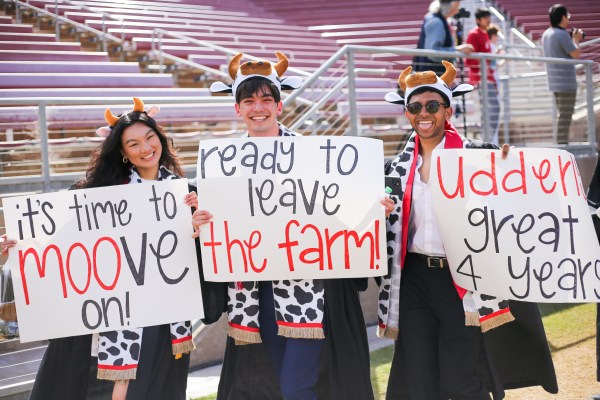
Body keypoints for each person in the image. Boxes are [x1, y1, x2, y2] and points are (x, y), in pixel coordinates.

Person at [196, 52, 391, 400]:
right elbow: (218, 228)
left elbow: (343, 207)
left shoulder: (313, 152)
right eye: (249, 100)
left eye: (266, 99)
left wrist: (373, 208)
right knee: (282, 382)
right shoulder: (222, 164)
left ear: (280, 106)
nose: (259, 107)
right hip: (256, 293)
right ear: (237, 109)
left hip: (309, 290)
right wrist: (199, 222)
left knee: (296, 386)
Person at [1, 98, 225, 400]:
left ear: (160, 138)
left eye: (149, 138)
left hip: (162, 316)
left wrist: (200, 230)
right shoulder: (96, 194)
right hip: (110, 313)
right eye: (133, 144)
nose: (145, 148)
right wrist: (20, 244)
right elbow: (57, 242)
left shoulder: (185, 194)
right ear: (122, 152)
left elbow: (199, 260)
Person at [381, 61, 558, 399]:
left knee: (460, 376)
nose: (423, 113)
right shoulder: (395, 168)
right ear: (406, 113)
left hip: (461, 278)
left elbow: (521, 196)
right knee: (418, 376)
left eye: (432, 105)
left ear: (447, 110)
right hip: (414, 278)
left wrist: (510, 168)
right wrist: (382, 212)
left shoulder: (479, 158)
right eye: (415, 107)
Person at [541, 4, 583, 145]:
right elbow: (576, 54)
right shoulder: (561, 34)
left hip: (554, 82)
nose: (568, 19)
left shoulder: (546, 33)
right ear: (563, 17)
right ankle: (562, 146)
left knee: (562, 116)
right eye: (567, 16)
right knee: (565, 117)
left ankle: (561, 144)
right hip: (566, 83)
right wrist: (576, 39)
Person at [465, 8, 501, 145]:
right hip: (482, 79)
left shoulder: (485, 34)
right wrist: (481, 75)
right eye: (485, 17)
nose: (488, 19)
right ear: (478, 20)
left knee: (492, 110)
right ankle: (487, 140)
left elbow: (486, 59)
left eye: (488, 16)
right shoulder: (474, 34)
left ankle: (487, 140)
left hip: (489, 79)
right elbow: (469, 60)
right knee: (492, 109)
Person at [413, 0, 474, 75]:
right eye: (456, 7)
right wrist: (458, 49)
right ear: (448, 7)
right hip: (432, 75)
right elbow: (433, 53)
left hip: (432, 74)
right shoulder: (436, 22)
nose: (457, 11)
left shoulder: (436, 18)